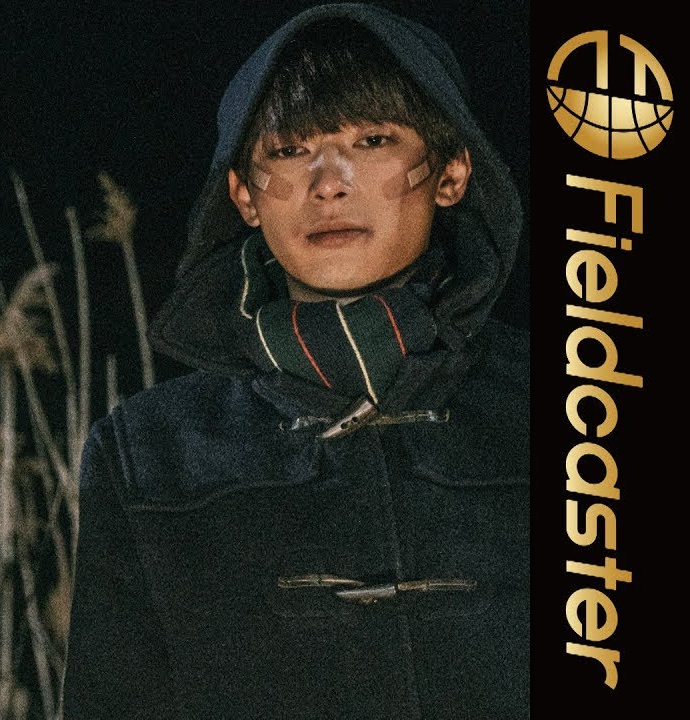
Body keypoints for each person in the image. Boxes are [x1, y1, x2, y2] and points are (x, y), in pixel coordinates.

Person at [63, 4, 528, 718]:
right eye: (288, 150)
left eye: (373, 140)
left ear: (452, 172)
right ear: (243, 195)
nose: (328, 182)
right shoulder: (151, 456)